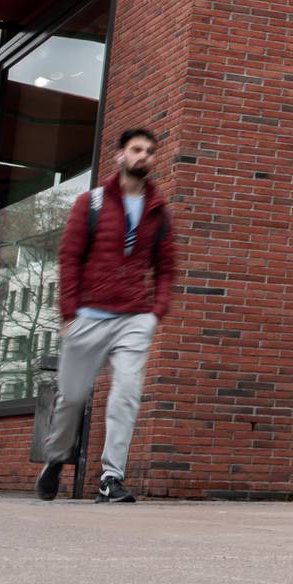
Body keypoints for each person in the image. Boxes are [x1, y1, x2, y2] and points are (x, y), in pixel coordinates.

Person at [35, 128, 178, 504]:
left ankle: (111, 477)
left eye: (149, 151)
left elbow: (166, 268)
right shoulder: (92, 203)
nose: (143, 156)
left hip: (134, 319)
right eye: (136, 149)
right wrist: (69, 313)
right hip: (88, 315)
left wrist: (154, 313)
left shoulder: (158, 210)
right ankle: (55, 457)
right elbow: (69, 258)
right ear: (121, 155)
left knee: (126, 395)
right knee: (72, 397)